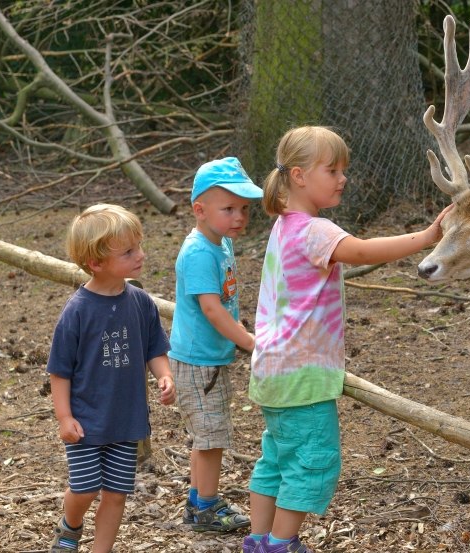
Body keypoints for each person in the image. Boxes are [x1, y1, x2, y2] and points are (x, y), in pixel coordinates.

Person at [242, 126, 452, 553]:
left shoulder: (282, 226)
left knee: (275, 462)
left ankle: (259, 540)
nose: (343, 178)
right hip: (303, 378)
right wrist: (428, 238)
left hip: (272, 370)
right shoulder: (313, 230)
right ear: (299, 175)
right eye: (332, 169)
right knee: (310, 463)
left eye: (344, 170)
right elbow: (361, 250)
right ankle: (281, 546)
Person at [46, 204, 176, 553]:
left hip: (126, 419)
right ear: (96, 263)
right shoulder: (77, 311)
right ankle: (70, 526)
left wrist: (164, 376)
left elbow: (154, 348)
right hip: (86, 422)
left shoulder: (141, 302)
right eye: (129, 251)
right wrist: (64, 417)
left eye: (139, 246)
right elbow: (59, 370)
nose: (141, 255)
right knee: (86, 489)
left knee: (117, 495)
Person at [170, 156, 264, 533]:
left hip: (210, 359)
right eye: (229, 209)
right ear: (200, 210)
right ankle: (206, 508)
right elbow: (210, 308)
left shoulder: (221, 242)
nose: (239, 217)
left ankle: (198, 502)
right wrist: (250, 342)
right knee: (211, 439)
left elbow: (223, 302)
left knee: (207, 436)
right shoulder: (197, 252)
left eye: (243, 208)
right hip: (198, 362)